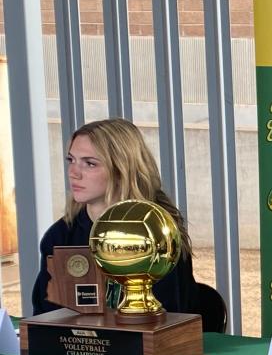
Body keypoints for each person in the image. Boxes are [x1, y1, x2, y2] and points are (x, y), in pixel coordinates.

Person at [32, 118, 198, 315]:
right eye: (71, 160)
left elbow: (169, 315)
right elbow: (44, 317)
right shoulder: (60, 235)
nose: (73, 173)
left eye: (90, 163)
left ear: (122, 169)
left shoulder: (156, 231)